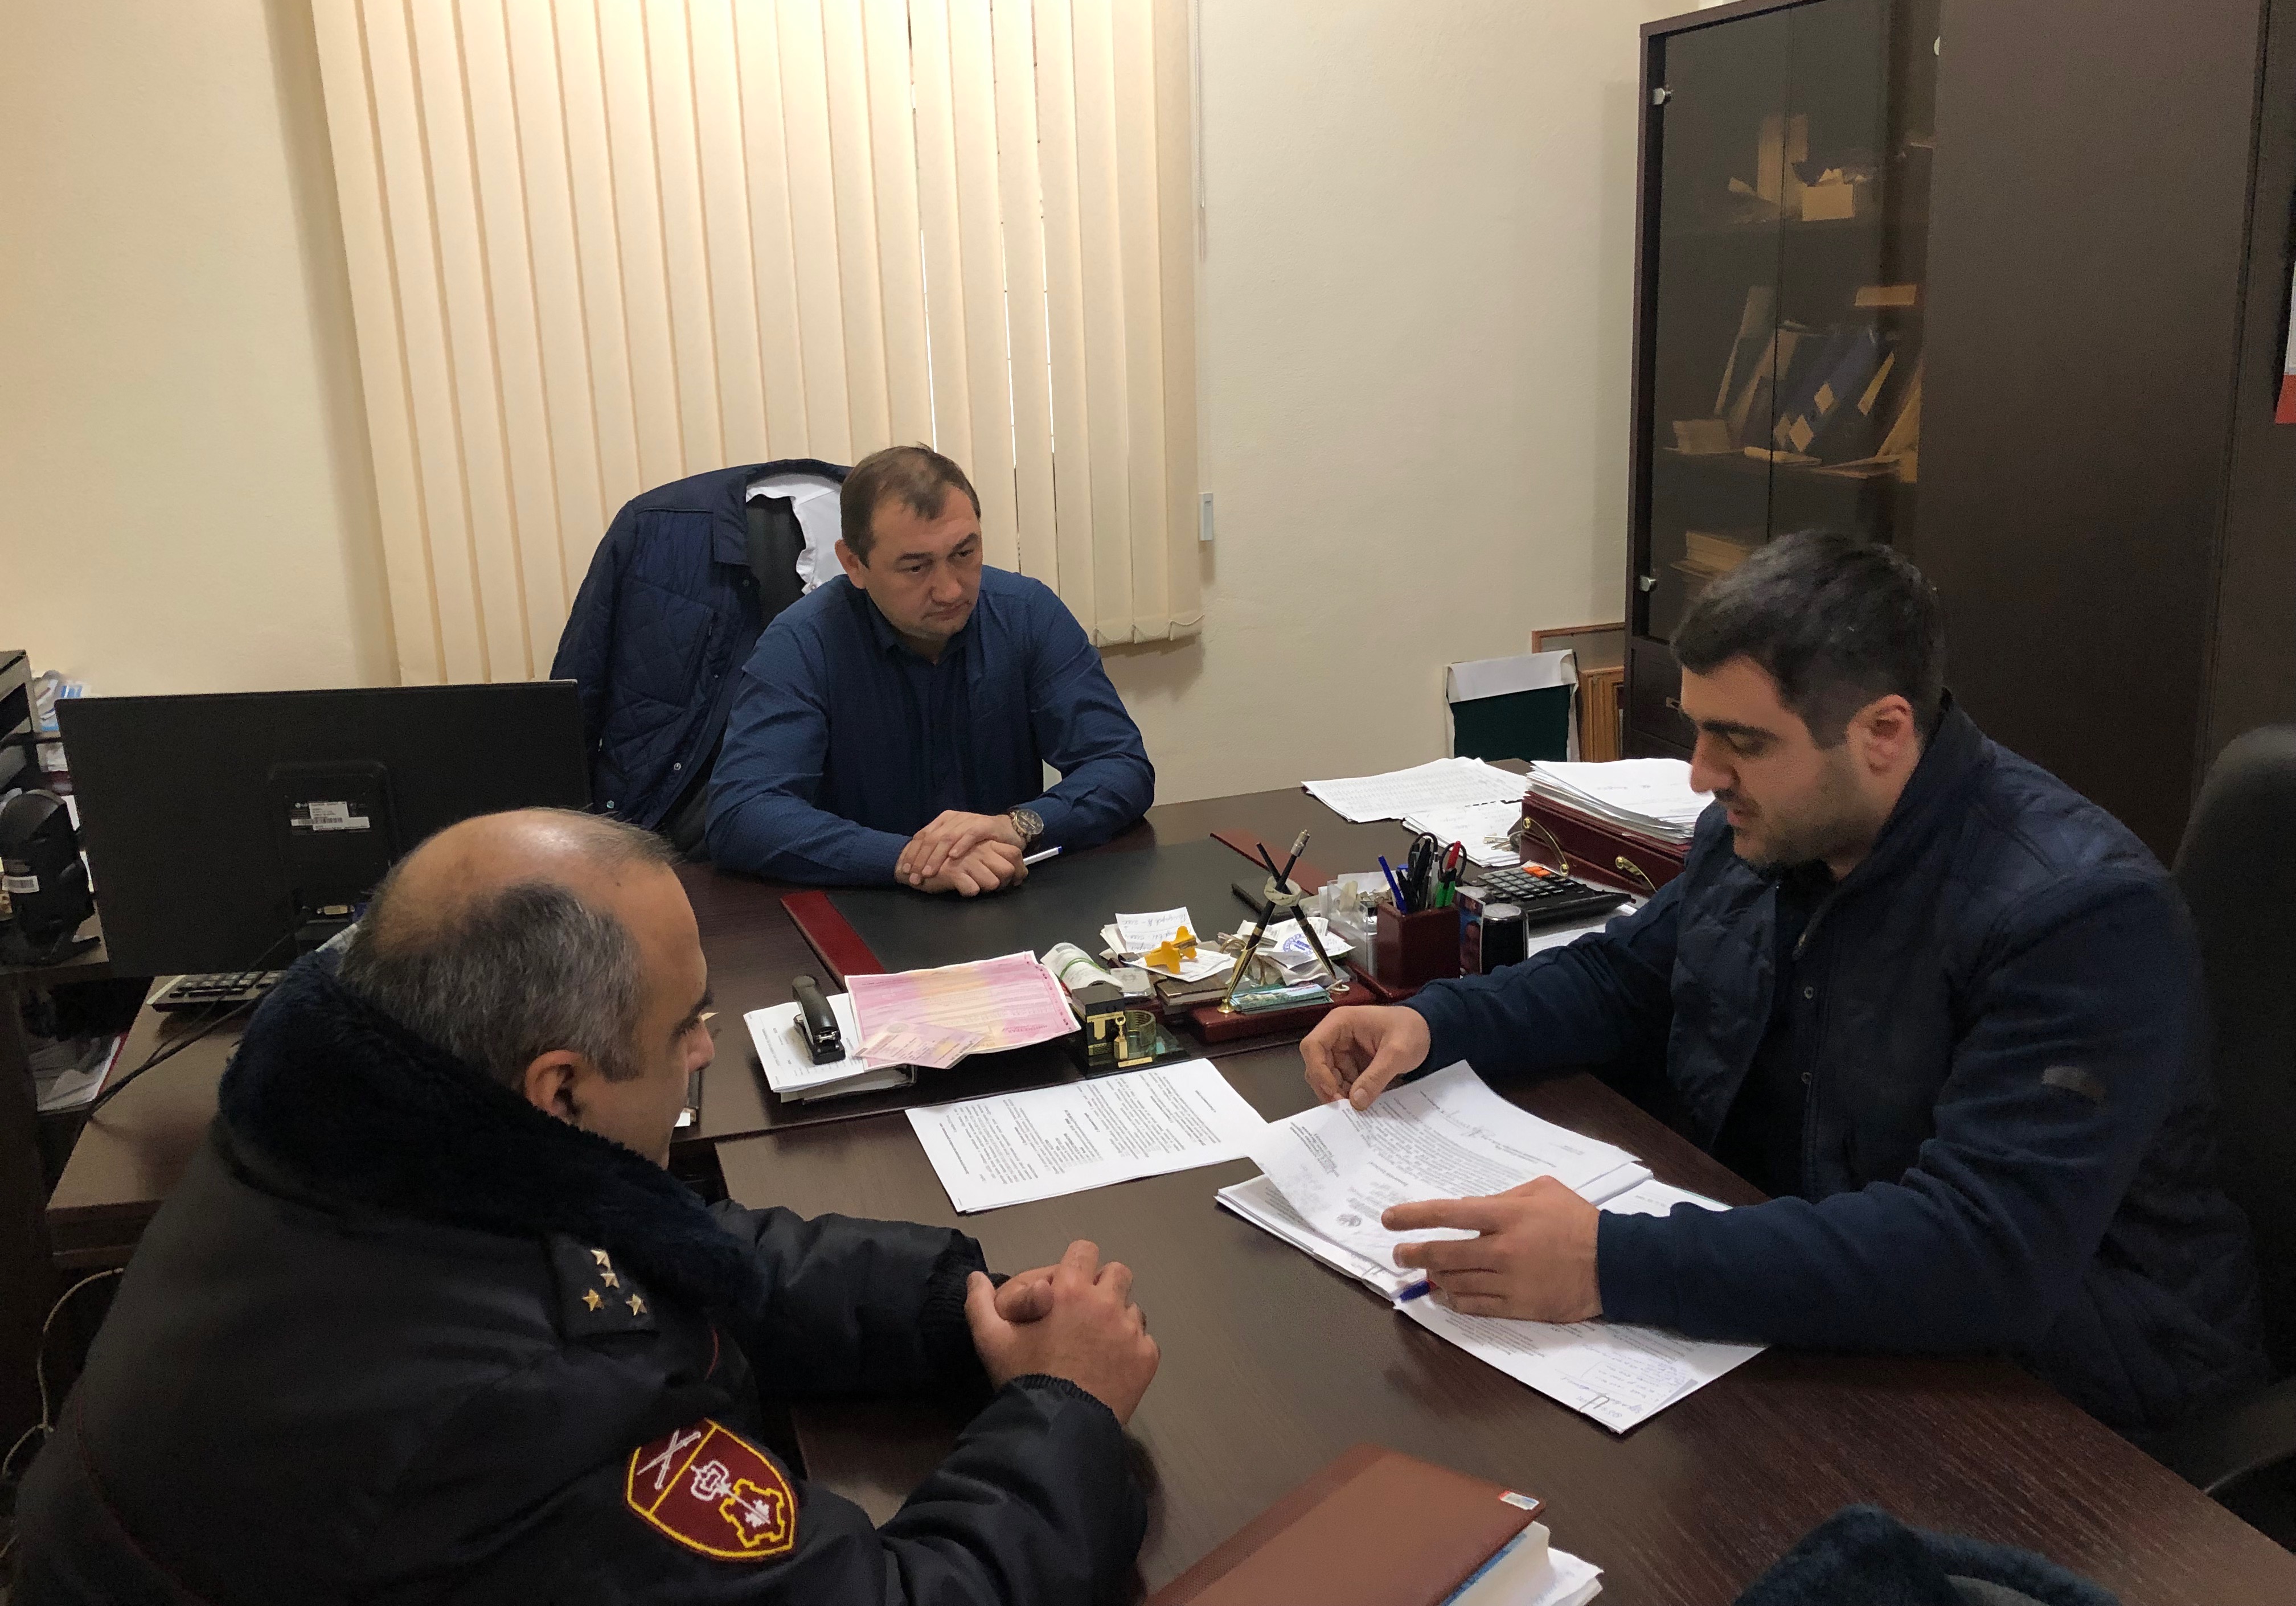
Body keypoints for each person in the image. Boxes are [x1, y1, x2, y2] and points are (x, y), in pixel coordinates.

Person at [13, 810, 1158, 1604]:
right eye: (686, 1024)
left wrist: (945, 1301)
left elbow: (655, 1251)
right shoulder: (523, 1411)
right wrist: (1065, 1409)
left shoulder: (352, 1129)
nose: (705, 1047)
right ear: (558, 1088)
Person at [1299, 532, 2268, 1436]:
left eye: (1743, 741)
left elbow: (1984, 1250)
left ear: (1882, 731)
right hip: (1819, 1306)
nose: (1700, 775)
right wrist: (1434, 1023)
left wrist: (1608, 1262)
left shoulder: (2076, 914)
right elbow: (1624, 980)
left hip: (2066, 1394)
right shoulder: (1767, 830)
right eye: (1698, 732)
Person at [706, 445, 1154, 889]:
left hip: (1006, 891)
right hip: (865, 903)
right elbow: (742, 814)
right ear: (854, 564)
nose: (950, 590)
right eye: (916, 567)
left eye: (964, 554)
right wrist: (908, 861)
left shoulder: (1027, 613)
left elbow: (1121, 764)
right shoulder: (803, 642)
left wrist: (1017, 826)